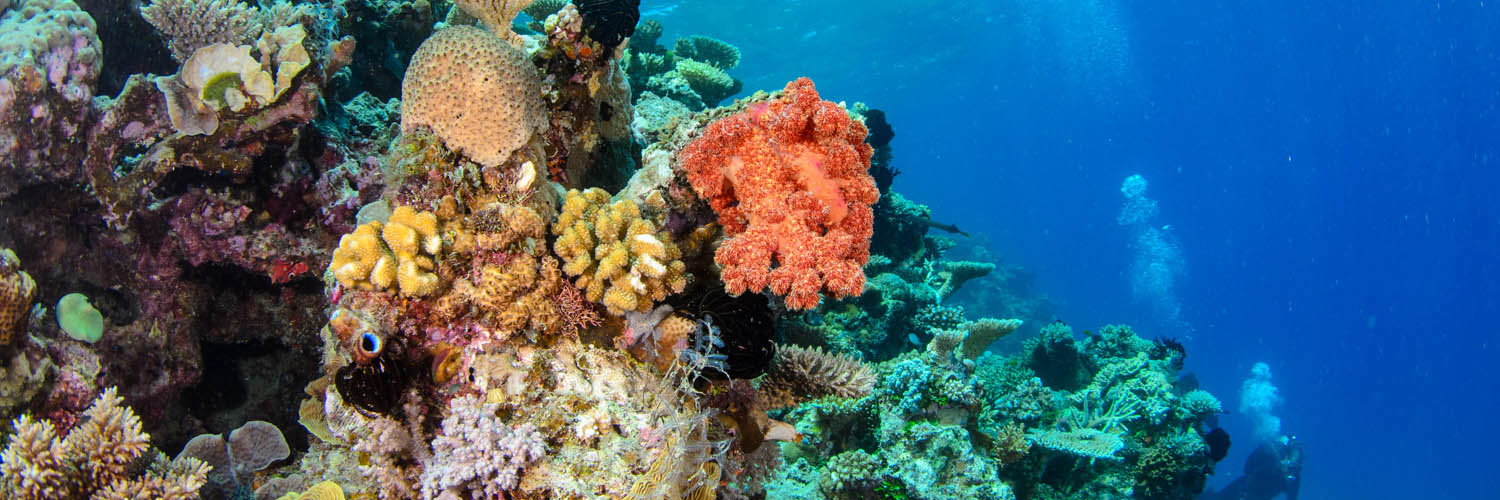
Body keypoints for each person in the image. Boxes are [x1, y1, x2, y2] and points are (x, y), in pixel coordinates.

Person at [1200, 434, 1303, 500]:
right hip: (1241, 490)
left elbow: (1292, 496)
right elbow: (1248, 469)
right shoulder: (1271, 457)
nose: (1291, 466)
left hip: (1243, 490)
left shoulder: (1292, 477)